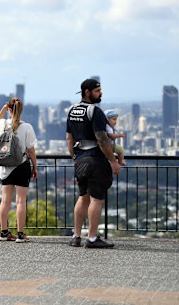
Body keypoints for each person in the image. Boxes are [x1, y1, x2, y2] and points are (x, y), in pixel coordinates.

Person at [66, 79, 121, 248]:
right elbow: (102, 139)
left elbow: (69, 137)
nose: (101, 93)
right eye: (97, 91)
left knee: (83, 197)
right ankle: (91, 238)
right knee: (97, 199)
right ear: (87, 92)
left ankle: (76, 236)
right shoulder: (95, 112)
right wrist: (113, 161)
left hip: (80, 158)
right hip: (96, 159)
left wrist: (74, 157)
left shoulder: (72, 110)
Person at [0, 97, 38, 243]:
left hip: (5, 167)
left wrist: (5, 106)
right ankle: (20, 235)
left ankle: (3, 232)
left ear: (9, 109)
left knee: (5, 201)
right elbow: (31, 150)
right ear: (21, 110)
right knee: (20, 201)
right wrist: (35, 166)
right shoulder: (27, 127)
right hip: (22, 166)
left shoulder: (2, 125)